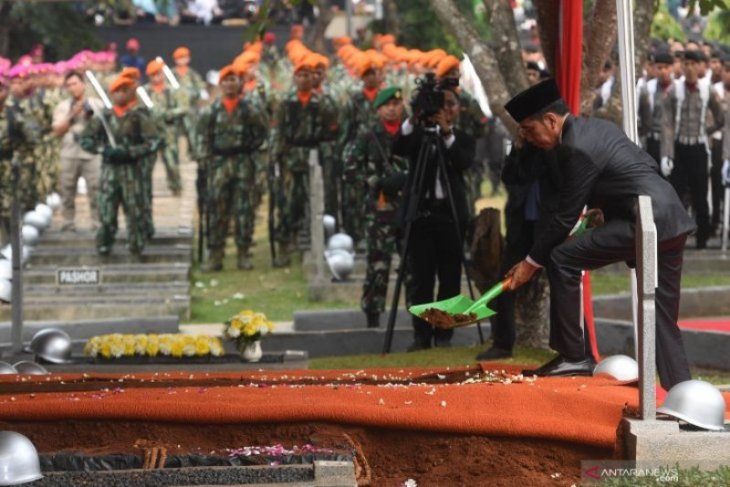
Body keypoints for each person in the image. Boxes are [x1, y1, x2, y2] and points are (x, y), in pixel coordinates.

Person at [503, 79, 695, 389]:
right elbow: (639, 166)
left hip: (645, 223)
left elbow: (565, 216)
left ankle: (574, 356)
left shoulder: (575, 147)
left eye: (528, 129)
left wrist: (529, 263)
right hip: (669, 218)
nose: (527, 137)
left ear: (551, 120)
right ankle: (681, 392)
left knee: (561, 258)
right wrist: (607, 209)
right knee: (662, 315)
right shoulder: (598, 128)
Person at [392, 87, 474, 351]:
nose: (445, 110)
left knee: (450, 277)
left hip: (449, 216)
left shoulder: (461, 137)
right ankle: (421, 335)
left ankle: (443, 333)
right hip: (421, 215)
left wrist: (447, 133)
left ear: (458, 108)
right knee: (421, 279)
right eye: (442, 105)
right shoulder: (417, 136)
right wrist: (413, 119)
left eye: (451, 104)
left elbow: (463, 162)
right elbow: (398, 147)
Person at [343, 86, 408, 328]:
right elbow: (349, 170)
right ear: (379, 109)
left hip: (408, 209)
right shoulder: (367, 136)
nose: (392, 108)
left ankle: (418, 316)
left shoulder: (410, 132)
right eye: (387, 105)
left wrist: (405, 179)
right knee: (378, 265)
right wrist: (376, 182)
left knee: (411, 267)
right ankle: (373, 315)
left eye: (396, 104)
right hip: (379, 211)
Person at [79, 75, 162, 257]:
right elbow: (85, 139)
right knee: (107, 211)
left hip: (132, 171)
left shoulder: (139, 116)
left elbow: (154, 142)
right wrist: (103, 150)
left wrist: (131, 152)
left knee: (134, 212)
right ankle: (104, 245)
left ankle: (136, 247)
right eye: (117, 91)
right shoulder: (104, 118)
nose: (121, 94)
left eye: (125, 90)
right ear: (111, 94)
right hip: (110, 172)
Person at [195, 65, 267, 271]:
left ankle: (243, 253)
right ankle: (215, 255)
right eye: (225, 80)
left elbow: (261, 130)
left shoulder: (249, 109)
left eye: (233, 80)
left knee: (244, 209)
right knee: (217, 210)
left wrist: (254, 152)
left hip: (243, 163)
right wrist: (204, 162)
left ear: (240, 83)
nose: (229, 84)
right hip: (218, 165)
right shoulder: (211, 110)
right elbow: (203, 137)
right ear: (220, 84)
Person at [270, 58, 339, 267]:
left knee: (316, 200)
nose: (303, 79)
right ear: (294, 78)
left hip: (314, 155)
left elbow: (333, 128)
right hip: (291, 157)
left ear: (314, 78)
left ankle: (314, 242)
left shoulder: (323, 101)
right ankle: (286, 244)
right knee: (289, 202)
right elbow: (278, 131)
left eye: (307, 75)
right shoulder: (285, 102)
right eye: (300, 75)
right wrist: (275, 157)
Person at [667, 50, 724, 249]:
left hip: (699, 147)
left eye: (693, 63)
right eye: (686, 63)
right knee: (676, 194)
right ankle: (676, 237)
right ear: (682, 65)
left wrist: (706, 131)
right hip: (680, 146)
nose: (689, 67)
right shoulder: (675, 90)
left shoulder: (707, 90)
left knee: (700, 194)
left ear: (700, 66)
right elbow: (667, 123)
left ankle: (703, 238)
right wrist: (667, 153)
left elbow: (720, 118)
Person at [51, 71, 103, 231]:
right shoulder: (63, 106)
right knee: (67, 189)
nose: (72, 88)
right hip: (69, 153)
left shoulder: (96, 104)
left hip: (91, 153)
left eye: (75, 84)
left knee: (96, 188)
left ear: (83, 85)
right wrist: (72, 115)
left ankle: (98, 222)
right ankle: (68, 222)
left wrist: (89, 114)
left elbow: (105, 126)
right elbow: (57, 129)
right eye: (69, 85)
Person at [144, 59, 186, 195]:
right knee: (146, 164)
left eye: (159, 74)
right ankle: (144, 189)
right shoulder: (144, 92)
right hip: (150, 133)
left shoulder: (171, 91)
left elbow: (183, 107)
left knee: (172, 163)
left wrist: (169, 114)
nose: (157, 77)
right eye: (153, 75)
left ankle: (176, 187)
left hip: (168, 132)